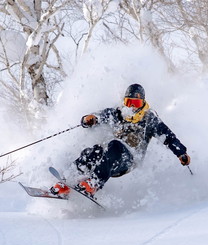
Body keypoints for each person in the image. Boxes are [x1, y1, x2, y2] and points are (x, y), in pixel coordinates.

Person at [51, 83, 191, 198]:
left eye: (135, 103)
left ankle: (94, 183)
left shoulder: (150, 119)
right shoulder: (118, 113)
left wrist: (181, 153)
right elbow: (101, 116)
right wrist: (90, 119)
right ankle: (67, 181)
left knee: (114, 145)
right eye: (128, 102)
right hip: (112, 157)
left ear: (142, 103)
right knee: (94, 151)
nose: (131, 107)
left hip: (130, 160)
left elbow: (168, 137)